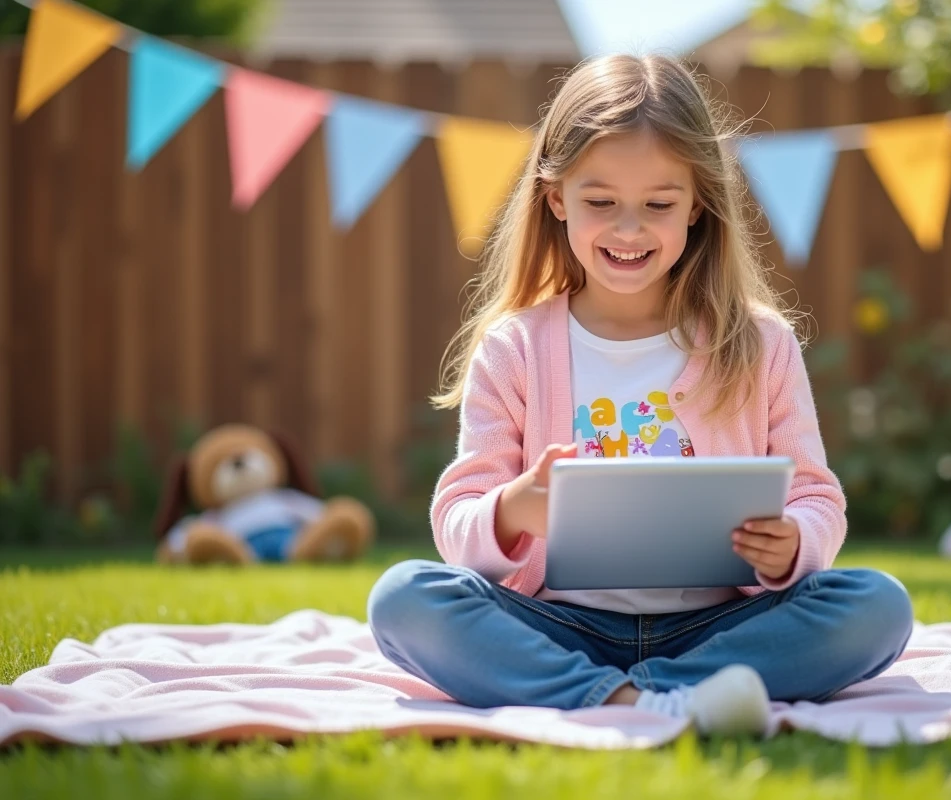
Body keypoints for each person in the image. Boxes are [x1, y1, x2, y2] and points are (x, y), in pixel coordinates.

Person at [367, 53, 914, 737]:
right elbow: (457, 522)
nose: (629, 230)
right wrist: (512, 510)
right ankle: (647, 702)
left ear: (697, 206)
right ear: (556, 197)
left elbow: (815, 497)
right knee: (404, 600)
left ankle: (634, 695)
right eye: (601, 203)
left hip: (719, 627)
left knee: (875, 605)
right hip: (559, 625)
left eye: (658, 205)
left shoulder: (760, 342)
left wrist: (795, 543)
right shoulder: (515, 348)